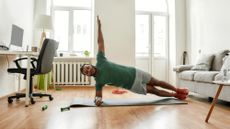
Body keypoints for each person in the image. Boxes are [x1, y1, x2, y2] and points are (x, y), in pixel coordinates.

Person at [80, 16, 189, 106]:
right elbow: (98, 96)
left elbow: (100, 43)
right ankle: (174, 95)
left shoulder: (100, 60)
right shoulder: (98, 82)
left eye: (87, 68)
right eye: (86, 72)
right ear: (87, 75)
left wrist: (99, 28)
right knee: (154, 90)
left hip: (135, 72)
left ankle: (177, 89)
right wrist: (97, 101)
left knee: (157, 82)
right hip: (132, 85)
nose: (88, 70)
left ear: (90, 65)